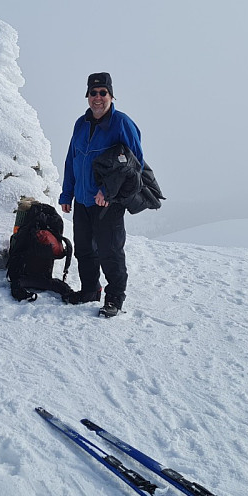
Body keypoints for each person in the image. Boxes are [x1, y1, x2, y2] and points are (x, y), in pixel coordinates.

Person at [59, 72, 143, 318]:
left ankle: (115, 297)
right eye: (93, 93)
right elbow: (71, 160)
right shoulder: (80, 123)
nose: (98, 98)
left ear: (111, 95)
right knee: (84, 249)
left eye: (103, 92)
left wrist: (108, 191)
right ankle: (89, 290)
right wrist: (67, 193)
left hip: (108, 202)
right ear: (87, 95)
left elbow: (134, 165)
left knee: (110, 250)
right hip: (83, 200)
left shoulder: (121, 123)